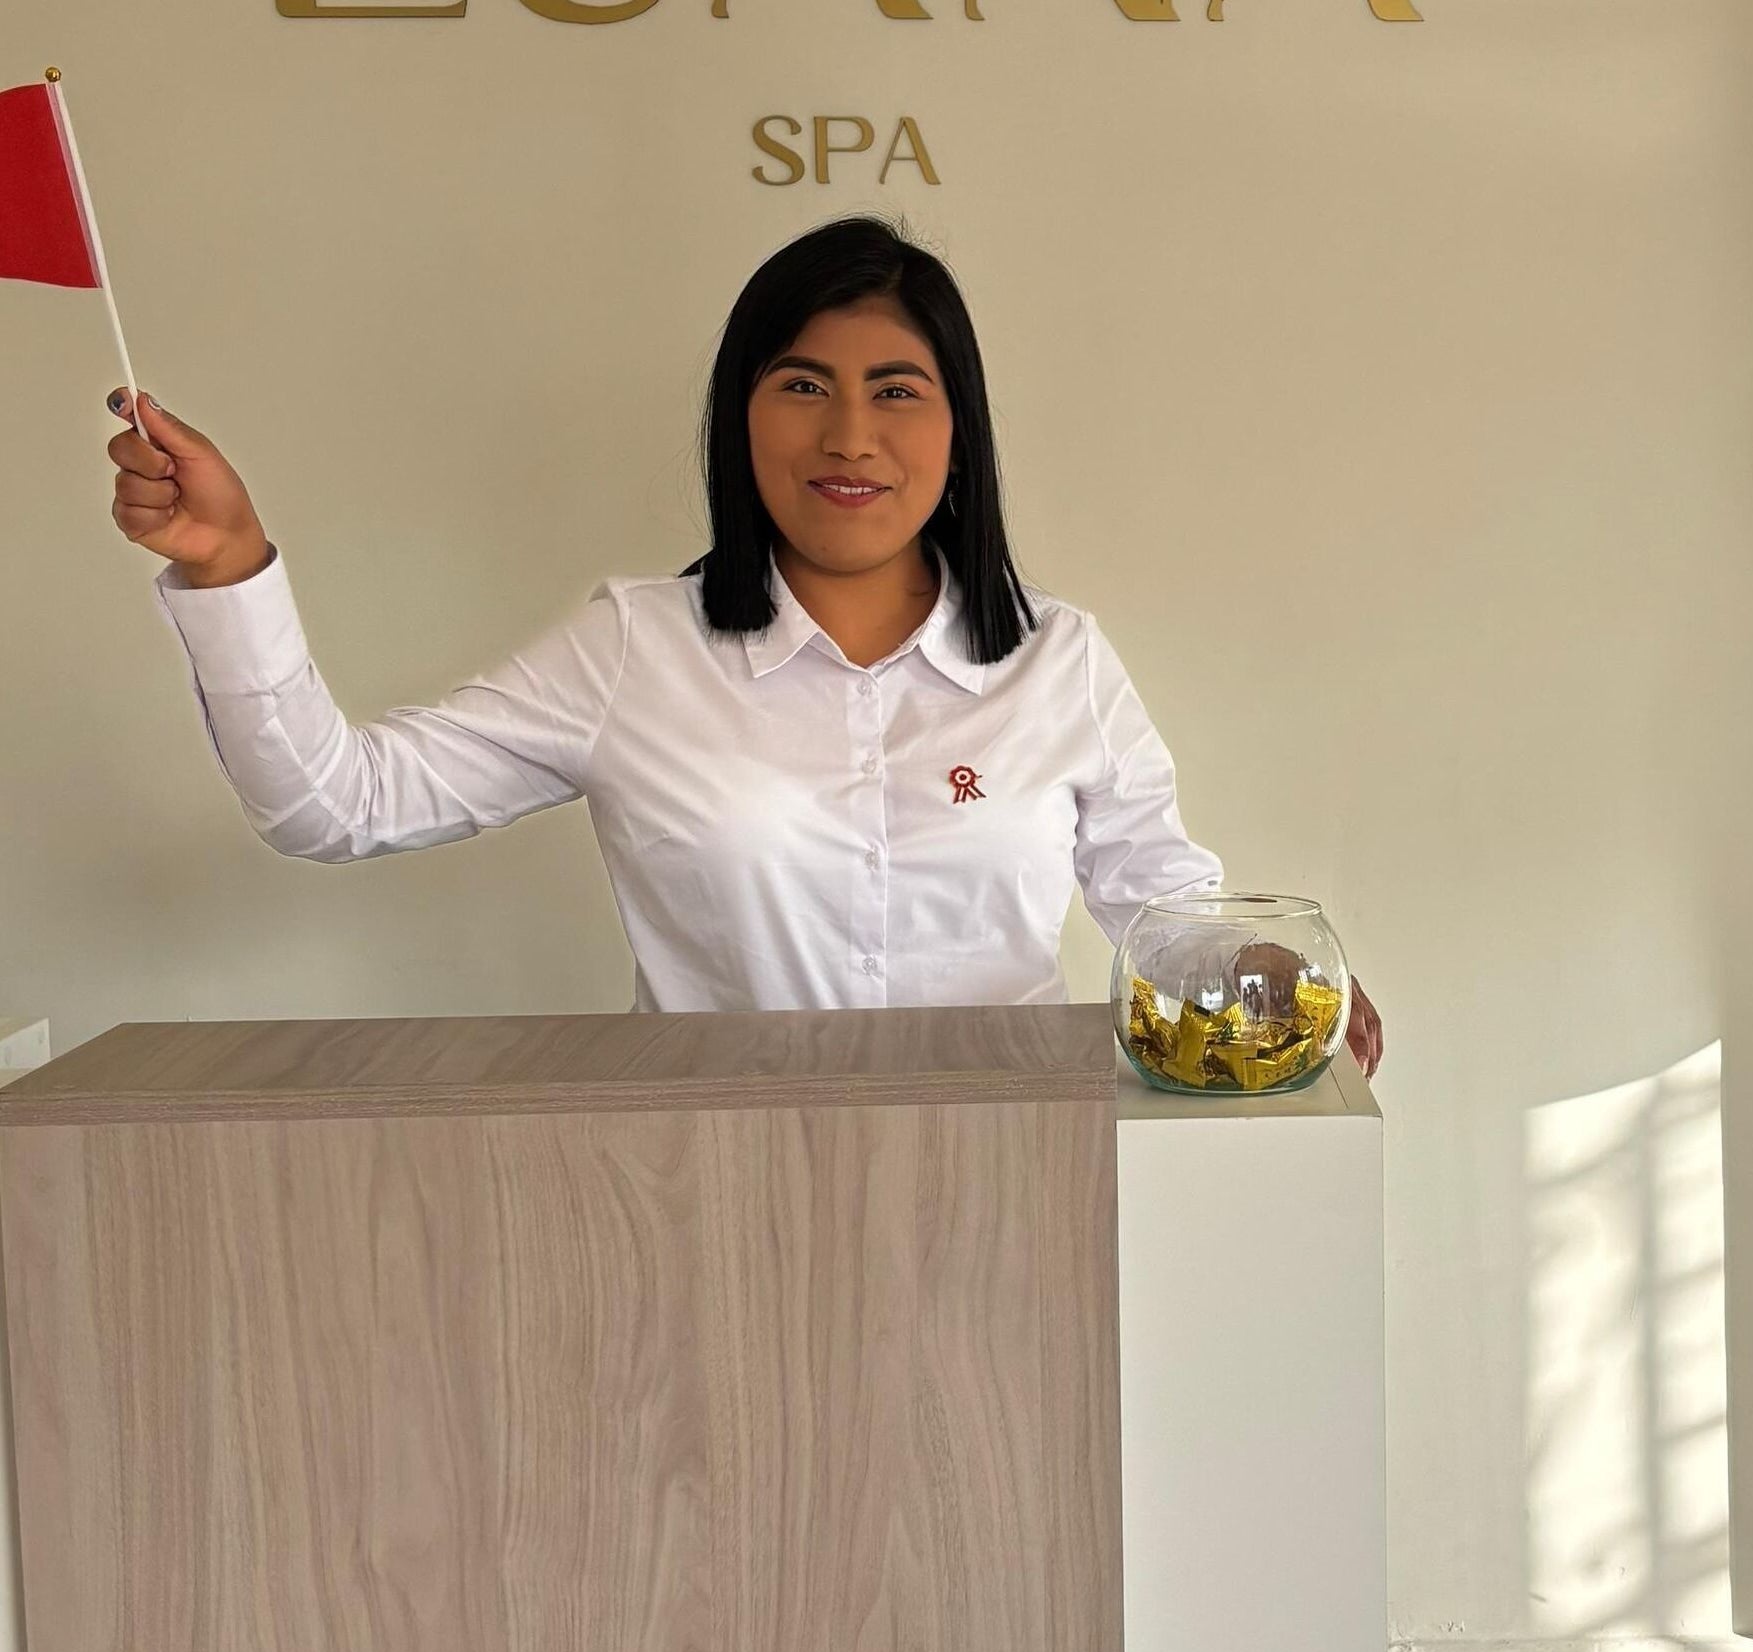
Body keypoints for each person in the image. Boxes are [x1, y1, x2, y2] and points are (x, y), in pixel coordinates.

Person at [104, 214, 1384, 1075]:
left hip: (1011, 1178)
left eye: (897, 390)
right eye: (801, 385)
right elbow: (336, 806)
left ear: (957, 430)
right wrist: (230, 570)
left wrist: (1266, 964)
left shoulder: (1062, 664)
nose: (848, 439)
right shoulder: (633, 650)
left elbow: (1162, 908)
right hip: (705, 1189)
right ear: (742, 416)